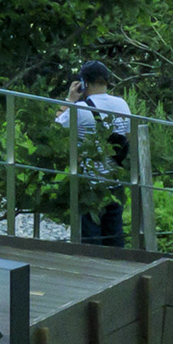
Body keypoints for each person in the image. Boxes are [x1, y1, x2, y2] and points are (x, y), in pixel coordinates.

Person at [56, 63, 137, 247]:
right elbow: (129, 137)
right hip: (115, 182)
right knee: (114, 239)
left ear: (84, 83)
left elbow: (56, 128)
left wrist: (69, 99)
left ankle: (92, 274)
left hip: (89, 184)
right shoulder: (122, 105)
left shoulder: (80, 109)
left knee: (91, 242)